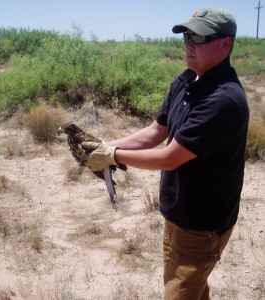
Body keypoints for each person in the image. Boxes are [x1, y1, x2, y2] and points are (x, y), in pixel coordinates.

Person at [82, 7, 249, 300]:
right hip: (177, 213)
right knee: (192, 290)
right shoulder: (186, 81)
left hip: (203, 224)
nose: (189, 43)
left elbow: (169, 156)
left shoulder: (224, 99)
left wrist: (114, 155)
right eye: (187, 35)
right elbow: (155, 132)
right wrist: (106, 145)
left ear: (226, 43)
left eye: (199, 37)